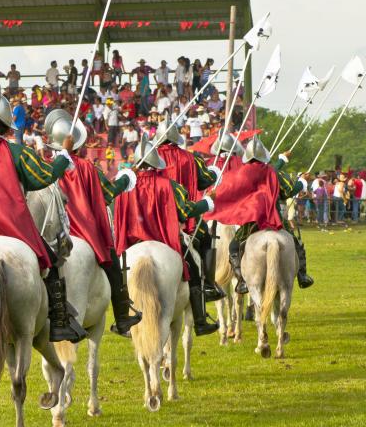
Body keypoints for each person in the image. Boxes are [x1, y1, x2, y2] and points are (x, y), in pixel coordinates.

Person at [0, 85, 86, 343]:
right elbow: (44, 176)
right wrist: (63, 155)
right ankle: (58, 320)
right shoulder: (19, 153)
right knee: (51, 259)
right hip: (14, 227)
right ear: (9, 128)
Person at [45, 109, 141, 337]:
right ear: (76, 144)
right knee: (114, 267)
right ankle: (122, 318)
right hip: (85, 231)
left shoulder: (48, 167)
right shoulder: (87, 168)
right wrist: (125, 178)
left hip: (54, 232)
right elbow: (108, 193)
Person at [112, 135, 218, 335]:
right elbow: (185, 212)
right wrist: (207, 202)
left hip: (132, 242)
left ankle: (122, 318)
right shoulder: (170, 186)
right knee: (193, 268)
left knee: (116, 273)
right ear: (156, 164)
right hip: (163, 239)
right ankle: (201, 318)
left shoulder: (125, 188)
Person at [214, 137, 314, 294]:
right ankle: (302, 275)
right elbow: (287, 191)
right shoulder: (273, 173)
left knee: (234, 246)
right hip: (273, 218)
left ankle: (241, 281)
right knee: (295, 242)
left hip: (251, 221)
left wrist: (282, 159)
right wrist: (301, 182)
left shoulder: (240, 173)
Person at [153, 120, 223, 303]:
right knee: (206, 238)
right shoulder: (190, 158)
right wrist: (215, 171)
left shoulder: (150, 157)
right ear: (176, 139)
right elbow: (205, 181)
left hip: (154, 218)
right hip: (186, 219)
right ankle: (208, 285)